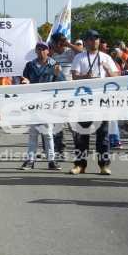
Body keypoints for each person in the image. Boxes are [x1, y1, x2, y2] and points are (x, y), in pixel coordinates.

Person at [70, 30, 119, 175]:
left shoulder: (106, 57)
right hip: (84, 101)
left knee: (103, 135)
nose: (94, 41)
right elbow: (74, 76)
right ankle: (80, 165)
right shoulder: (79, 57)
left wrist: (107, 69)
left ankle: (104, 165)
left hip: (101, 101)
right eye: (91, 39)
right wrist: (86, 76)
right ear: (85, 42)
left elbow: (116, 77)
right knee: (82, 135)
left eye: (96, 39)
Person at [19, 42, 65, 170]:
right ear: (36, 51)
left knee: (48, 133)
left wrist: (58, 75)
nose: (41, 51)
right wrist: (25, 81)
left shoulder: (54, 65)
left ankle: (51, 160)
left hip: (47, 103)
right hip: (33, 103)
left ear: (48, 51)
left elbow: (62, 83)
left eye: (44, 49)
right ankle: (30, 160)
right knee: (33, 133)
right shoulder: (30, 65)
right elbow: (24, 80)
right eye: (39, 49)